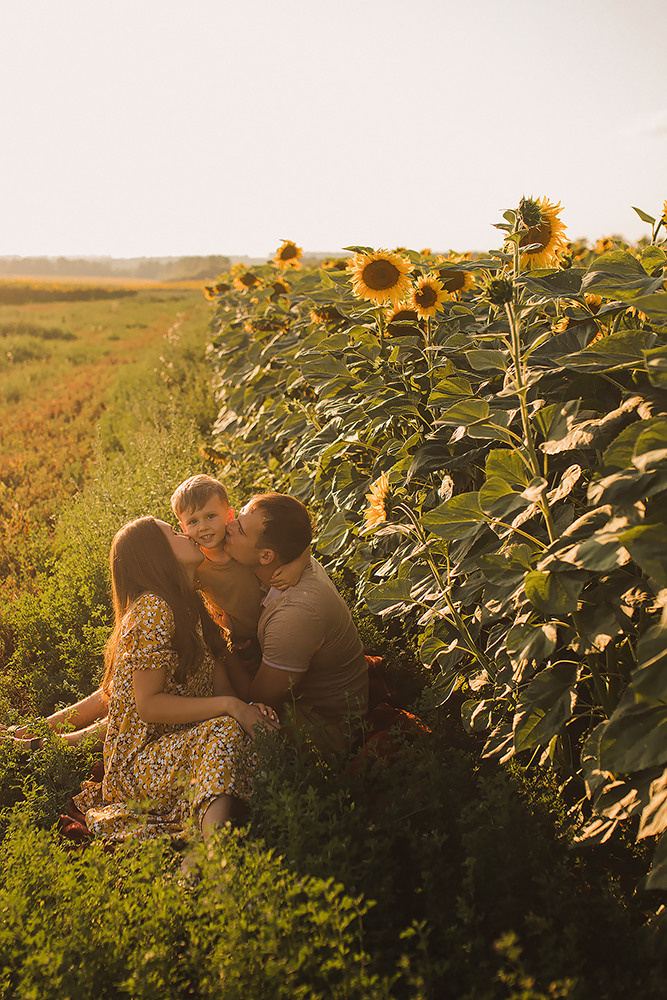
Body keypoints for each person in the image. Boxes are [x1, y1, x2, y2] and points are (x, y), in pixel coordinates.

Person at [71, 515, 279, 842]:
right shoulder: (152, 608)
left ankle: (206, 834)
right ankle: (212, 853)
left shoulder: (191, 604)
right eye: (173, 532)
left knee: (251, 728)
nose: (186, 534)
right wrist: (232, 707)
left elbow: (220, 688)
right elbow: (149, 706)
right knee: (227, 728)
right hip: (140, 763)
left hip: (178, 742)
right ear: (157, 553)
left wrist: (248, 708)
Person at [222, 492, 369, 753]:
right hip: (305, 690)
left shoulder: (295, 613)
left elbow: (257, 699)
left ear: (266, 556)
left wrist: (221, 647)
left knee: (222, 721)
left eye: (240, 529)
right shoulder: (288, 559)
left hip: (325, 727)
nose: (228, 526)